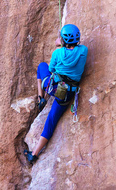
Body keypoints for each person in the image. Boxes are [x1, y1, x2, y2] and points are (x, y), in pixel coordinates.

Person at [24, 24, 88, 163]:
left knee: (42, 66)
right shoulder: (83, 51)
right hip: (66, 94)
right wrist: (63, 44)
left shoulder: (57, 53)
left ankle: (41, 98)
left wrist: (59, 46)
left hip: (52, 87)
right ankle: (33, 154)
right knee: (51, 121)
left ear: (63, 40)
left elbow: (52, 69)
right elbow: (76, 49)